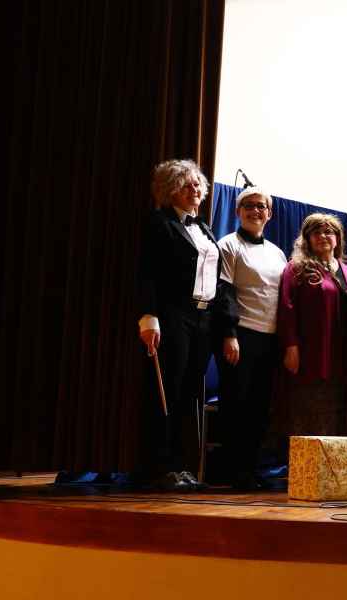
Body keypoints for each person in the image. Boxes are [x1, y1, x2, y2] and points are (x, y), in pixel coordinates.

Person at [137, 159, 235, 492]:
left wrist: (226, 328)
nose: (195, 188)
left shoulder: (204, 228)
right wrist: (148, 316)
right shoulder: (160, 223)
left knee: (190, 393)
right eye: (186, 183)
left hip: (203, 319)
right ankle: (159, 467)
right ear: (170, 190)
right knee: (169, 391)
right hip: (173, 314)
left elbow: (217, 281)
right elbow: (148, 273)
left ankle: (181, 467)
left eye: (197, 184)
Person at [215, 187, 287, 490]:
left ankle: (251, 468)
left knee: (260, 408)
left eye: (261, 206)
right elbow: (224, 292)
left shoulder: (277, 252)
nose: (255, 211)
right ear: (238, 212)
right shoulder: (228, 245)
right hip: (241, 335)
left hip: (269, 338)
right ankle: (233, 471)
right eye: (249, 205)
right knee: (237, 404)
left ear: (269, 214)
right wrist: (229, 334)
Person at [277, 213, 347, 438]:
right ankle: (304, 460)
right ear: (307, 239)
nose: (323, 236)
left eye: (328, 232)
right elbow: (286, 308)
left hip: (339, 354)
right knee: (306, 409)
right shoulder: (296, 268)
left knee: (335, 412)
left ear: (337, 238)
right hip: (309, 352)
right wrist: (291, 347)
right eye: (316, 232)